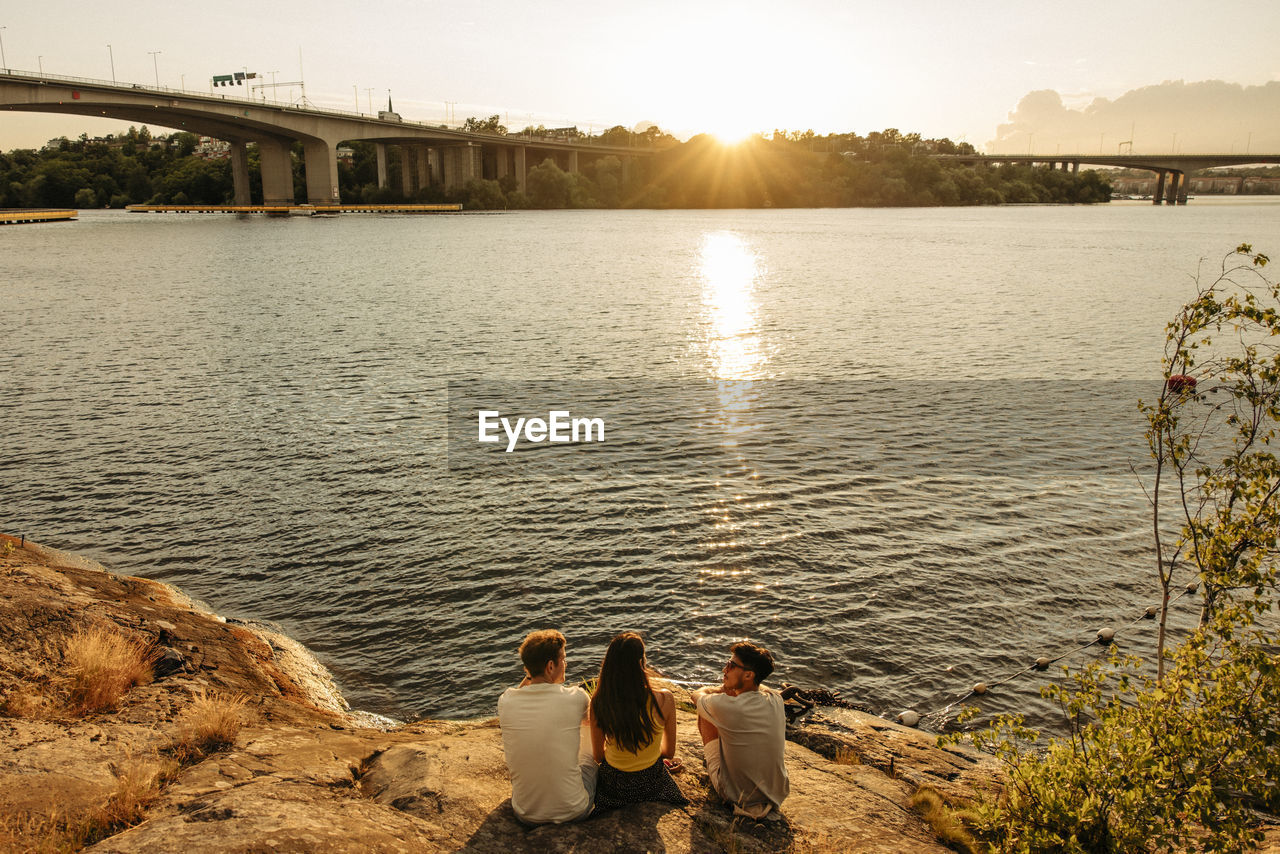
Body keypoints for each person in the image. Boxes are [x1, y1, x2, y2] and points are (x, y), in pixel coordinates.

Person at [497, 629, 596, 824]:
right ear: (551, 666)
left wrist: (532, 675)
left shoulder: (505, 700)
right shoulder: (576, 697)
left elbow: (524, 689)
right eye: (564, 659)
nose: (566, 664)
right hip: (574, 810)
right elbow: (593, 723)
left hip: (525, 813)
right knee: (588, 739)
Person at [587, 632, 688, 809]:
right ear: (642, 662)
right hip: (651, 783)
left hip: (615, 787)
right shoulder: (664, 699)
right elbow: (669, 752)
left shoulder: (600, 701)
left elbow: (598, 756)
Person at [691, 641, 789, 819]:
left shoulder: (728, 707)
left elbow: (697, 695)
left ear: (749, 675)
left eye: (731, 665)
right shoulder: (776, 700)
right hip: (775, 794)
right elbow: (763, 689)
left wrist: (720, 689)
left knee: (705, 714)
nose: (724, 670)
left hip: (736, 795)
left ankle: (714, 764)